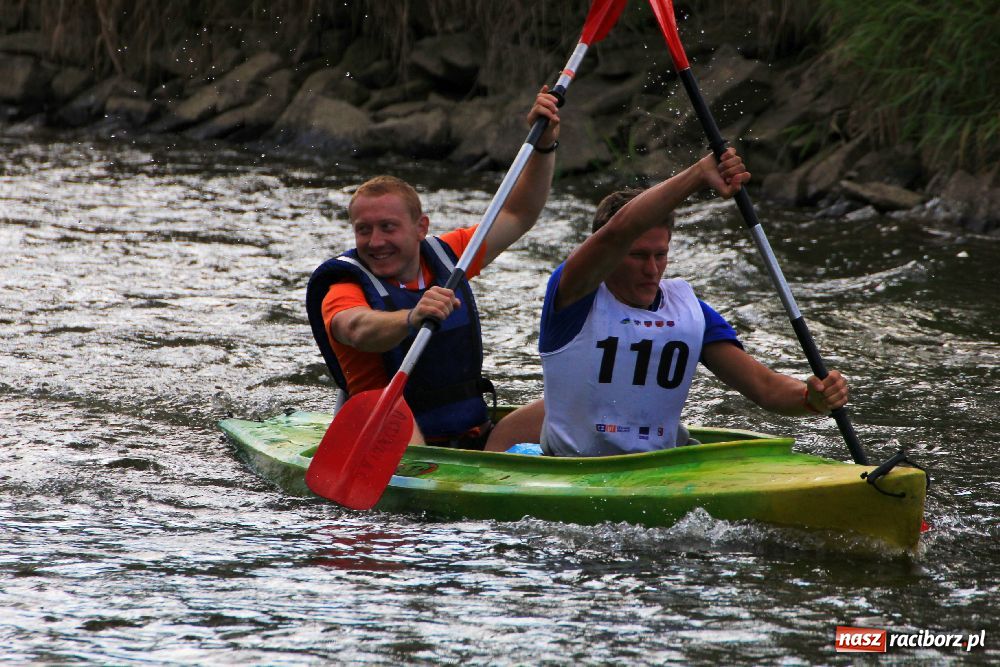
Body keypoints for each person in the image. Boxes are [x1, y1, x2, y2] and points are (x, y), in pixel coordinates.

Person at [486, 149, 848, 456]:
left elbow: (765, 387)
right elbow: (617, 232)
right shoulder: (573, 295)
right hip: (574, 469)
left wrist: (811, 399)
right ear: (609, 255)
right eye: (637, 255)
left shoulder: (689, 311)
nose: (652, 269)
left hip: (657, 467)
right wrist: (697, 175)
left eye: (661, 254)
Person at [306, 88, 561, 450]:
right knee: (398, 419)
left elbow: (518, 214)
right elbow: (357, 328)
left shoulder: (449, 255)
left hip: (475, 435)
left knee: (573, 405)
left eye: (388, 227)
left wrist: (545, 146)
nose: (375, 241)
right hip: (388, 430)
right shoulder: (344, 284)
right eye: (364, 229)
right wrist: (411, 317)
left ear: (420, 227)